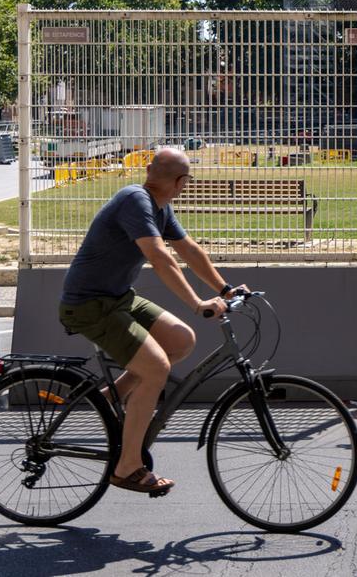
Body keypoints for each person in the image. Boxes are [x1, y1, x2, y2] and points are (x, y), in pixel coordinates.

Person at [58, 147, 248, 496]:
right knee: (157, 368)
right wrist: (197, 303)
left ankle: (112, 395)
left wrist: (225, 289)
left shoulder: (159, 207)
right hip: (88, 306)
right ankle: (127, 466)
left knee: (181, 340)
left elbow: (189, 251)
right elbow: (161, 258)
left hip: (117, 299)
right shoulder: (135, 201)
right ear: (181, 182)